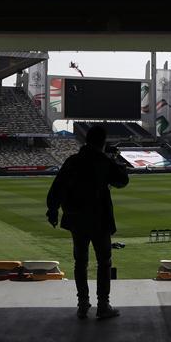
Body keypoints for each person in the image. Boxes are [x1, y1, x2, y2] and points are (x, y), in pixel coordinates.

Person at [46, 125, 129, 319]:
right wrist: (115, 160)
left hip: (76, 219)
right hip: (99, 219)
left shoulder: (73, 161)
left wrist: (52, 211)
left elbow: (56, 188)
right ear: (102, 142)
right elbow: (122, 181)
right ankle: (103, 305)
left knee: (80, 262)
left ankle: (83, 303)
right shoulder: (103, 161)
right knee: (104, 262)